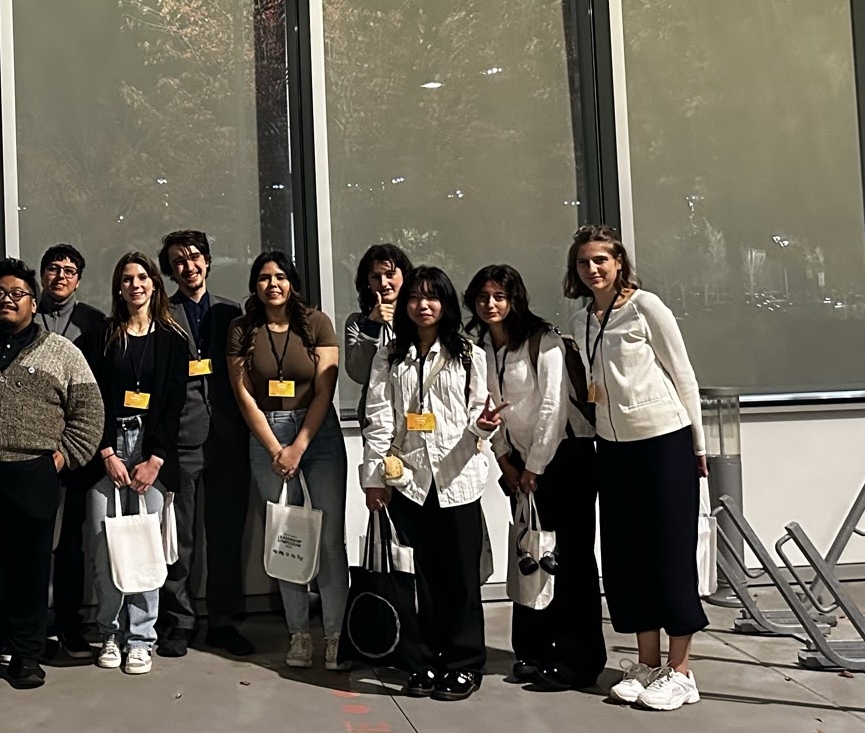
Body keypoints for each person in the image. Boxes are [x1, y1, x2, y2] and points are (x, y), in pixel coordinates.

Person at [562, 225, 708, 713]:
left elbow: (682, 373)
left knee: (669, 550)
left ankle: (681, 670)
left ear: (619, 262)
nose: (593, 269)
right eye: (584, 262)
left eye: (601, 260)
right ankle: (647, 663)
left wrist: (699, 444)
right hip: (614, 446)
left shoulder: (647, 307)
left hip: (663, 439)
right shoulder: (583, 318)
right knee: (626, 555)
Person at [0, 258, 104, 690]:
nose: (7, 300)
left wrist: (65, 456)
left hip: (33, 473)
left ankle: (26, 655)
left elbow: (89, 411)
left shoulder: (62, 352)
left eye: (17, 294)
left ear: (34, 302)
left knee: (30, 569)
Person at [361, 266, 506, 701]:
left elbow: (481, 415)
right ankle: (422, 661)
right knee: (416, 578)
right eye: (414, 298)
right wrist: (374, 478)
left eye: (432, 297)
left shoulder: (469, 354)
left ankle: (463, 663)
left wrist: (483, 427)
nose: (423, 305)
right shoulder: (390, 356)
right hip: (408, 480)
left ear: (445, 304)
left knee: (459, 578)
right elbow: (379, 417)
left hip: (457, 479)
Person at [466, 264, 605, 693]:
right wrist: (505, 459)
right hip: (519, 464)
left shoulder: (541, 340)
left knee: (572, 559)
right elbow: (487, 408)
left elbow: (552, 409)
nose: (491, 304)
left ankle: (578, 657)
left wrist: (534, 468)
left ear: (515, 300)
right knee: (531, 553)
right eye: (483, 296)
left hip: (566, 459)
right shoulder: (480, 347)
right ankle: (534, 650)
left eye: (499, 296)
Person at [228, 252, 349, 671]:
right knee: (286, 536)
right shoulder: (242, 329)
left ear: (292, 282)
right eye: (263, 277)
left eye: (280, 276)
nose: (272, 284)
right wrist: (275, 447)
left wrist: (298, 444)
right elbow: (244, 395)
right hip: (267, 434)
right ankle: (299, 634)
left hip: (318, 434)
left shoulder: (316, 323)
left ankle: (335, 636)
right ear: (254, 285)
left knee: (330, 539)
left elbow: (325, 389)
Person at [83, 252, 190, 675]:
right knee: (104, 546)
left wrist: (155, 460)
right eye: (127, 279)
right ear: (118, 288)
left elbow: (174, 404)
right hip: (107, 451)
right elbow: (88, 400)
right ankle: (109, 633)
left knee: (146, 549)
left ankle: (142, 638)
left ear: (155, 285)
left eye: (143, 277)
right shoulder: (101, 336)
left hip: (151, 450)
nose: (135, 285)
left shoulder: (173, 338)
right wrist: (106, 452)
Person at [160, 229, 250, 658]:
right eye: (179, 260)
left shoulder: (232, 313)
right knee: (181, 538)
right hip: (183, 440)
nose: (188, 266)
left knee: (226, 536)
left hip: (230, 440)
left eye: (195, 258)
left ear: (208, 262)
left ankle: (224, 621)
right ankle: (178, 621)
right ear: (170, 269)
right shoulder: (163, 313)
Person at [37, 243, 109, 656]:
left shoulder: (93, 323)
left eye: (69, 270)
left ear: (79, 279)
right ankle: (32, 624)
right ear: (42, 275)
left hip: (78, 447)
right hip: (33, 447)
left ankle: (69, 624)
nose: (61, 276)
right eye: (53, 268)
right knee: (32, 541)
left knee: (72, 545)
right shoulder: (27, 318)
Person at [343, 243, 413, 411]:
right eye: (375, 277)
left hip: (416, 410)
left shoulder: (419, 318)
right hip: (375, 412)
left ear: (405, 276)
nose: (383, 283)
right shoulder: (357, 322)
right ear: (367, 282)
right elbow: (359, 374)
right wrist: (371, 326)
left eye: (390, 275)